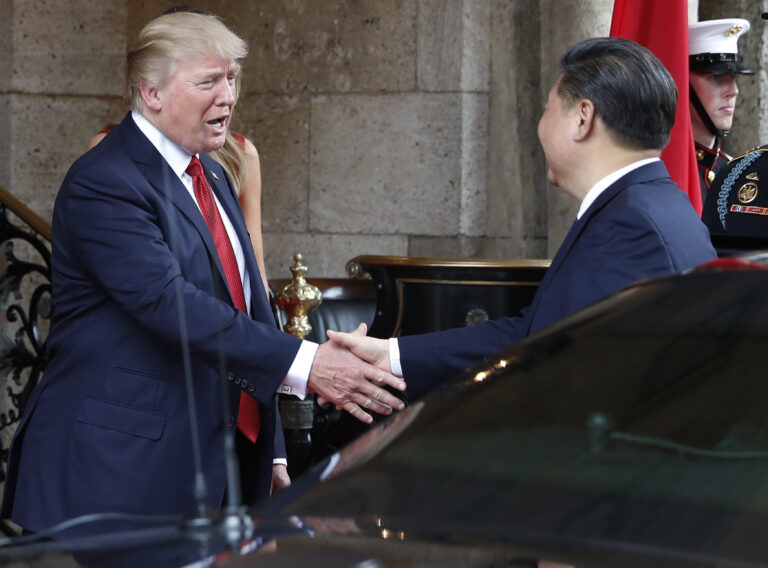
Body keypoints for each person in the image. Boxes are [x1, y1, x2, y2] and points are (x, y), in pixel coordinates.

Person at [0, 9, 405, 557]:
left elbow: (250, 302)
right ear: (151, 92)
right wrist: (310, 364)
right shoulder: (105, 180)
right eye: (208, 81)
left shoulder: (212, 171)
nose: (228, 96)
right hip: (127, 469)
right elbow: (171, 305)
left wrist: (274, 449)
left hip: (219, 456)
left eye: (232, 78)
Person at [328, 37, 717, 401]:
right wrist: (390, 354)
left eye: (547, 110)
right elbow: (540, 334)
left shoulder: (632, 224)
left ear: (583, 118)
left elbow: (564, 368)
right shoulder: (652, 205)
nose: (540, 127)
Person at [688, 18, 753, 203]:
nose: (733, 91)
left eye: (732, 77)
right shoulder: (665, 170)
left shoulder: (737, 175)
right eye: (716, 78)